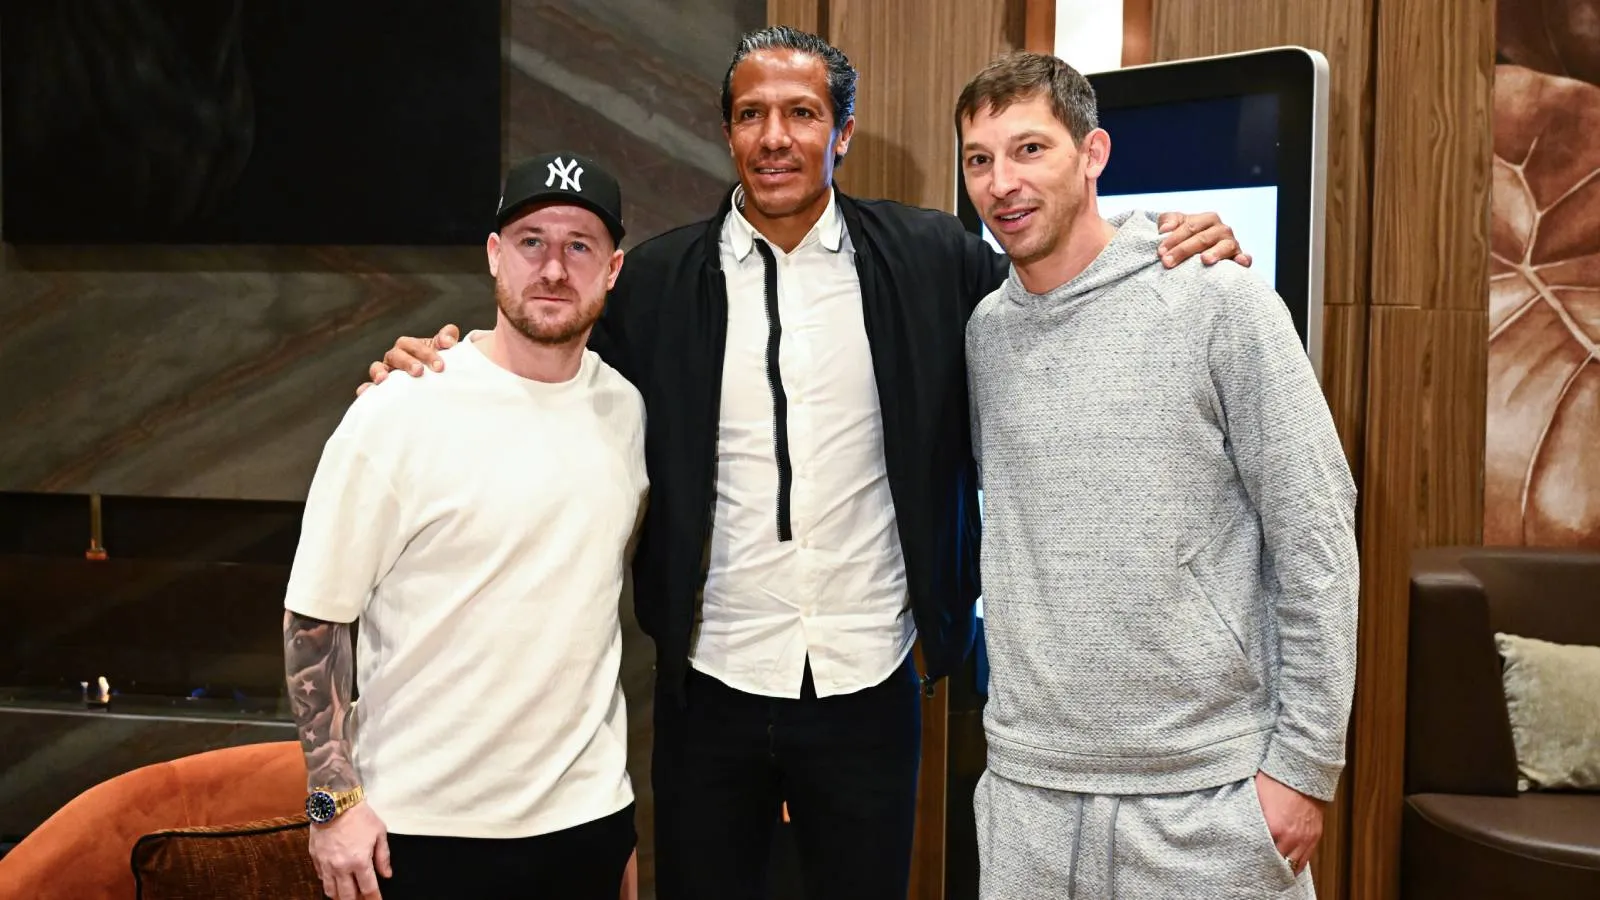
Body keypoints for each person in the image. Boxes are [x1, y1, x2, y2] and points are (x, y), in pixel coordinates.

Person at [362, 27, 1252, 900]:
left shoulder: (930, 258)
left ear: (843, 131)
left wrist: (1156, 239)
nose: (775, 136)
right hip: (710, 685)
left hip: (871, 681)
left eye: (801, 112)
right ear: (728, 133)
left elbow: (1055, 284)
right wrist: (443, 359)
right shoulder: (658, 284)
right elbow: (546, 360)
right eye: (752, 114)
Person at [957, 51, 1359, 899]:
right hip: (1029, 799)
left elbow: (1316, 532)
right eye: (979, 159)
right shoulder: (986, 333)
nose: (1002, 183)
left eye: (1030, 149)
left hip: (1206, 800)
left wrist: (1303, 766)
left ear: (1092, 153)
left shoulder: (1217, 298)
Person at [281, 152, 646, 900]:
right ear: (493, 255)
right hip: (419, 831)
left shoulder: (628, 410)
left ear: (612, 270)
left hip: (587, 821)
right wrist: (329, 809)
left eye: (579, 246)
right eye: (531, 241)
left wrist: (618, 833)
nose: (553, 268)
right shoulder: (400, 409)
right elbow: (313, 621)